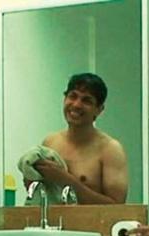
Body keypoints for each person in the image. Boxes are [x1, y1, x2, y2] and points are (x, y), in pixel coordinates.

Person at [34, 73, 128, 204]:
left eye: (86, 100)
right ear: (64, 99)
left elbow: (117, 207)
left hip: (94, 218)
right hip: (54, 217)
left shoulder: (110, 150)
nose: (76, 105)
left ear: (99, 110)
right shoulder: (50, 142)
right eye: (72, 96)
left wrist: (65, 180)